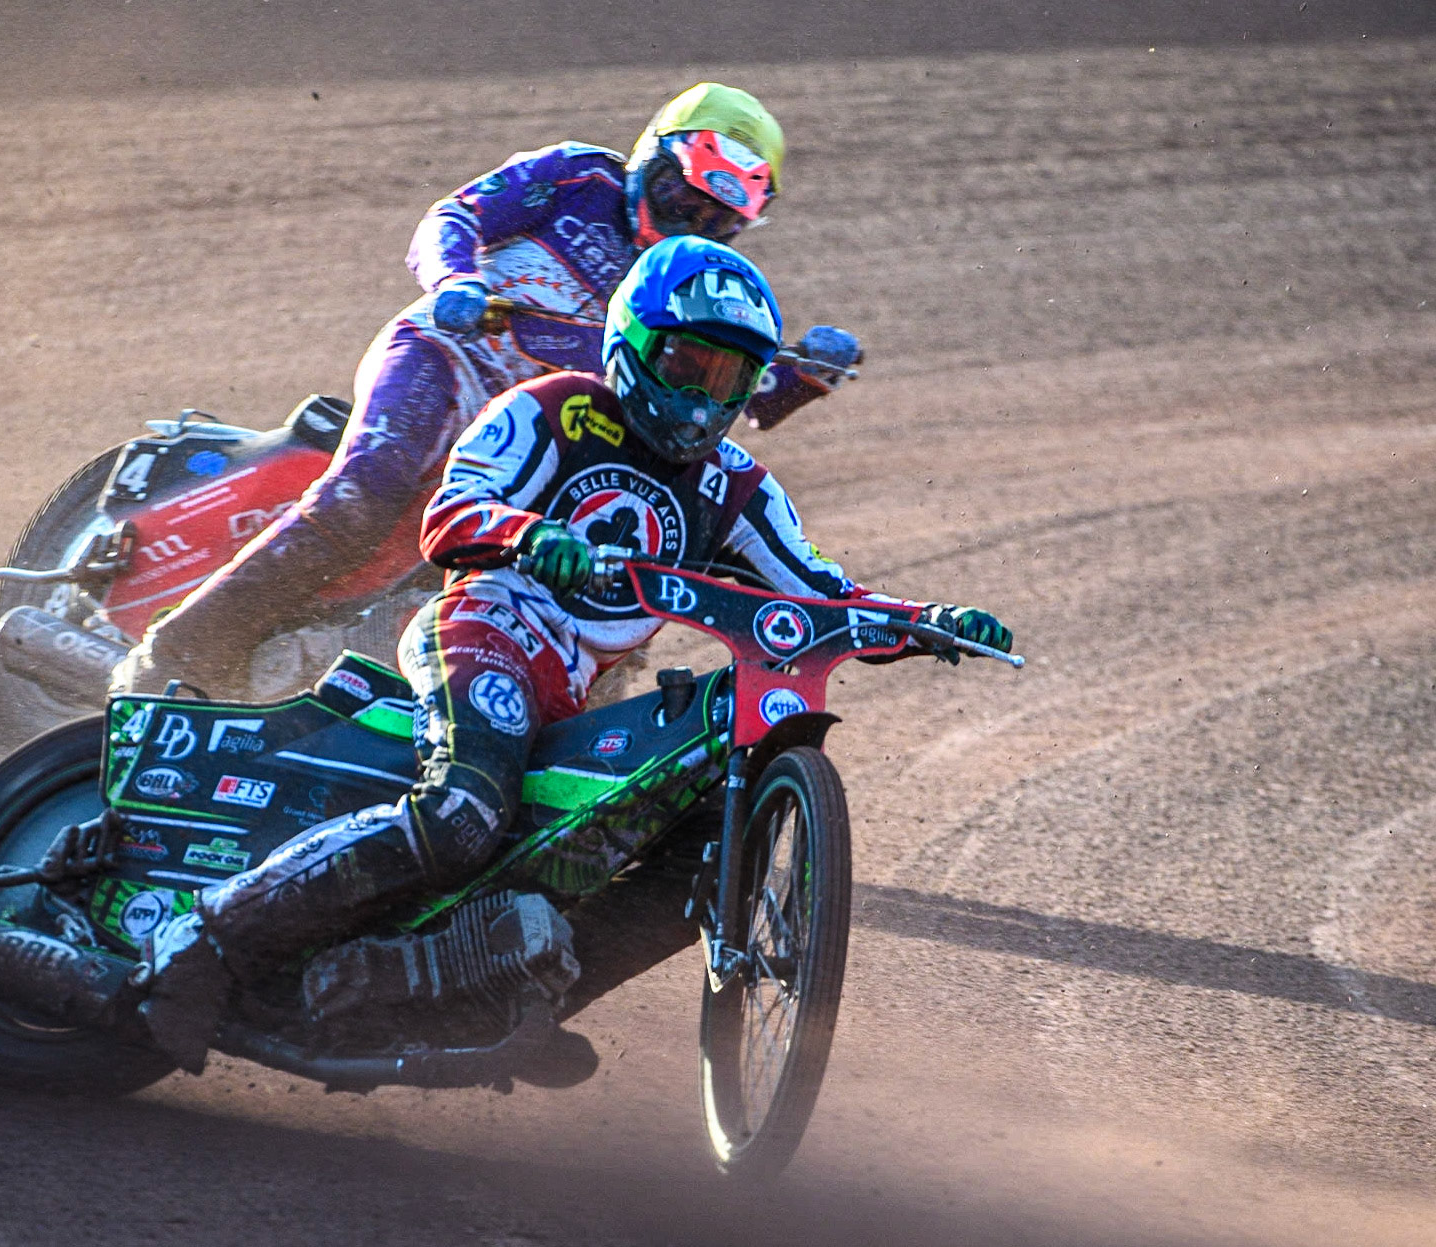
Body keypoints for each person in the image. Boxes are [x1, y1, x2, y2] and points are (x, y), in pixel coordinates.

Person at [139, 235, 1012, 1070]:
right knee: (462, 815)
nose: (705, 400)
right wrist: (529, 536)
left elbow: (819, 595)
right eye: (688, 367)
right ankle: (206, 936)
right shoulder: (553, 409)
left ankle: (491, 994)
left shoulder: (736, 485)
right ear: (633, 346)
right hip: (484, 630)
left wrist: (925, 620)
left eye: (731, 377)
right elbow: (452, 514)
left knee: (703, 850)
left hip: (573, 697)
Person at [110, 82, 864, 697]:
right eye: (682, 195)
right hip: (446, 359)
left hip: (540, 432)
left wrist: (800, 380)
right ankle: (173, 654)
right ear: (650, 158)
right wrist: (456, 282)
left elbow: (727, 402)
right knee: (362, 496)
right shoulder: (576, 178)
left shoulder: (690, 282)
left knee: (585, 572)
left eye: (715, 216)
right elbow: (454, 216)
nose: (690, 219)